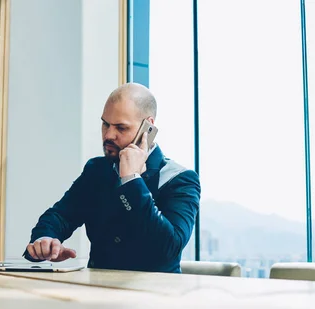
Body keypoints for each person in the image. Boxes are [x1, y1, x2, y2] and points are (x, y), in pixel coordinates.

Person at [23, 83, 200, 273]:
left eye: (121, 128)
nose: (108, 135)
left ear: (148, 127)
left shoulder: (180, 179)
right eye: (105, 124)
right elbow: (60, 216)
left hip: (155, 296)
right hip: (98, 293)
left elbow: (168, 248)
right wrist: (46, 239)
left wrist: (131, 180)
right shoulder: (97, 170)